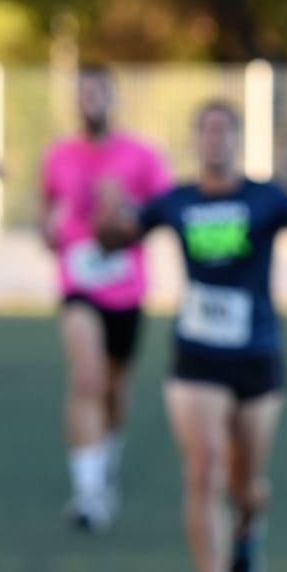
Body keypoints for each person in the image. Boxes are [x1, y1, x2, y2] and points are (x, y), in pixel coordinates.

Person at [97, 99, 287, 572]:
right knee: (205, 471)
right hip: (196, 357)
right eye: (205, 130)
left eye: (223, 130)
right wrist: (108, 216)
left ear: (236, 139)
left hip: (257, 357)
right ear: (196, 141)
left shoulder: (268, 197)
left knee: (247, 486)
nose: (214, 139)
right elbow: (114, 240)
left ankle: (248, 527)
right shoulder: (177, 200)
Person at [40, 64, 173, 532]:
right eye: (82, 93)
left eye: (97, 92)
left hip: (125, 288)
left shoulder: (141, 155)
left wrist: (125, 211)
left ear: (112, 98)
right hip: (78, 285)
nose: (89, 100)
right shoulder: (58, 155)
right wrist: (49, 229)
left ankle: (104, 460)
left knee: (114, 387)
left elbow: (163, 212)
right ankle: (89, 493)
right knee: (87, 379)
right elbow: (48, 217)